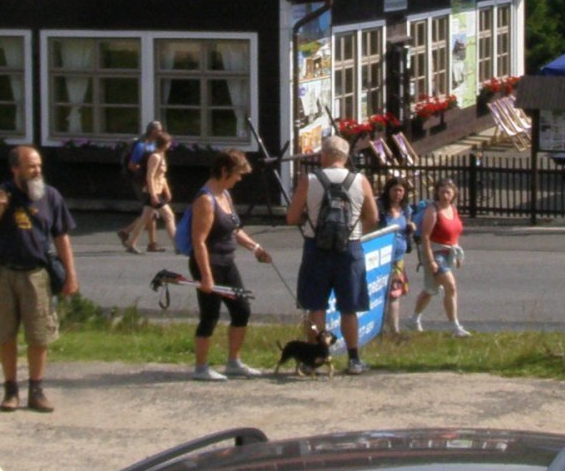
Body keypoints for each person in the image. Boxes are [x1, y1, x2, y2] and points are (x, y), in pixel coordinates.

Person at [0, 145, 81, 413]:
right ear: (15, 168)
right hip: (4, 273)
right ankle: (10, 391)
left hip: (37, 275)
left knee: (39, 336)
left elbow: (62, 237)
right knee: (5, 334)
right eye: (31, 166)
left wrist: (71, 276)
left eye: (39, 165)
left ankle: (36, 391)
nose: (37, 170)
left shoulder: (50, 196)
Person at [285, 135, 377, 374]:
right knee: (349, 308)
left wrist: (310, 218)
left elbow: (292, 217)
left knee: (316, 306)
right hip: (350, 248)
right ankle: (354, 359)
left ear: (323, 156)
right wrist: (354, 233)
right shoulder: (360, 180)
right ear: (346, 157)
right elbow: (373, 218)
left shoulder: (310, 179)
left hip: (316, 247)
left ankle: (312, 359)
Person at [189, 149, 274, 380]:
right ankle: (201, 367)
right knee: (210, 315)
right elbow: (198, 241)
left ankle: (233, 362)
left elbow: (234, 229)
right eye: (237, 174)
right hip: (208, 264)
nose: (239, 179)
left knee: (242, 310)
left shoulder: (224, 195)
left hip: (227, 262)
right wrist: (206, 277)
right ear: (224, 171)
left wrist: (255, 248)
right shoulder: (205, 200)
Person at [413, 177, 471, 337]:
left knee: (430, 290)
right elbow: (425, 236)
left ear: (454, 194)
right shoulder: (433, 210)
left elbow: (455, 233)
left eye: (448, 192)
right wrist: (430, 260)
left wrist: (458, 254)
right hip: (435, 253)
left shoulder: (453, 209)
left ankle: (414, 319)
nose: (445, 195)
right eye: (442, 192)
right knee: (451, 286)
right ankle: (455, 326)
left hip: (449, 253)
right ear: (437, 193)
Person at [119, 126, 176, 254]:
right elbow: (149, 176)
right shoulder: (155, 157)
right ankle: (177, 245)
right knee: (169, 216)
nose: (170, 145)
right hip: (153, 192)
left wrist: (167, 190)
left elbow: (162, 176)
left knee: (144, 218)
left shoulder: (161, 155)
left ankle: (131, 242)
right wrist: (153, 195)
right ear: (165, 144)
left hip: (158, 190)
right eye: (169, 143)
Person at [375, 175, 417, 337]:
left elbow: (408, 229)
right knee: (380, 294)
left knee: (394, 294)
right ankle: (382, 328)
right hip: (381, 259)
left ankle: (394, 329)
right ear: (388, 191)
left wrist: (411, 228)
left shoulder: (406, 210)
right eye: (395, 190)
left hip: (398, 259)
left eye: (401, 191)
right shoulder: (380, 209)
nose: (398, 194)